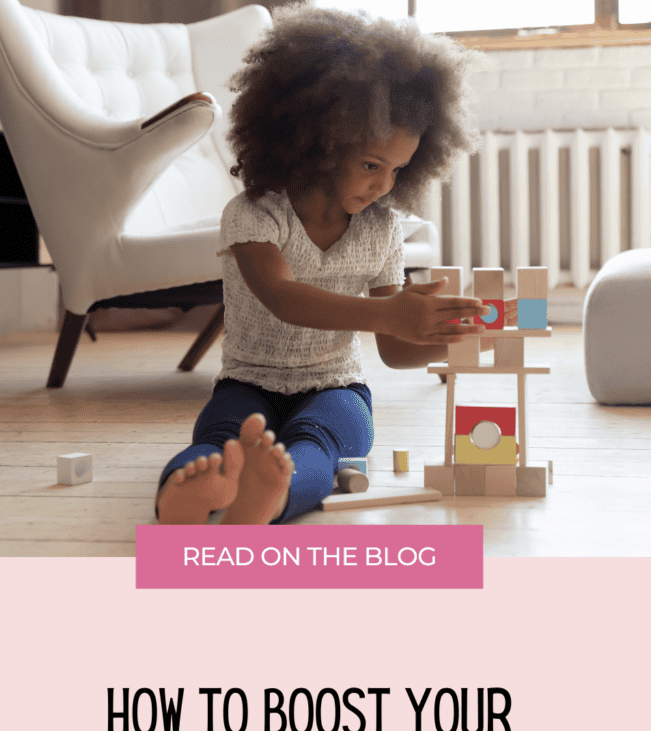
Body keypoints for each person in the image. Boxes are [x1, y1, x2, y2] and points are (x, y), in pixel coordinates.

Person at [157, 1, 509, 526]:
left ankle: (271, 496)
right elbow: (281, 297)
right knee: (217, 439)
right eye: (370, 165)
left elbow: (393, 349)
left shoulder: (382, 228)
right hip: (246, 383)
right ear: (316, 143)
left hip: (336, 387)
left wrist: (449, 336)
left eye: (398, 170)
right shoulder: (254, 216)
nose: (384, 185)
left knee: (324, 443)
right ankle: (186, 495)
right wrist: (392, 314)